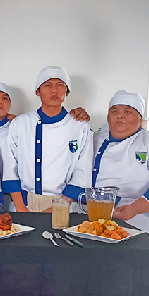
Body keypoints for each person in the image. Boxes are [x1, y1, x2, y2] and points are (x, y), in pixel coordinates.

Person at [92, 90, 149, 236]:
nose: (120, 115)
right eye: (114, 111)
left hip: (136, 222)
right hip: (92, 218)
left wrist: (136, 207)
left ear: (140, 119)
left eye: (128, 112)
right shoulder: (94, 138)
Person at [8, 66, 93, 212]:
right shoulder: (21, 123)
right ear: (37, 92)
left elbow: (83, 170)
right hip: (24, 202)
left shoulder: (79, 126)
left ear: (66, 92)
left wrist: (61, 205)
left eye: (60, 85)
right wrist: (20, 207)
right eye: (47, 85)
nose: (54, 90)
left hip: (63, 202)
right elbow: (9, 165)